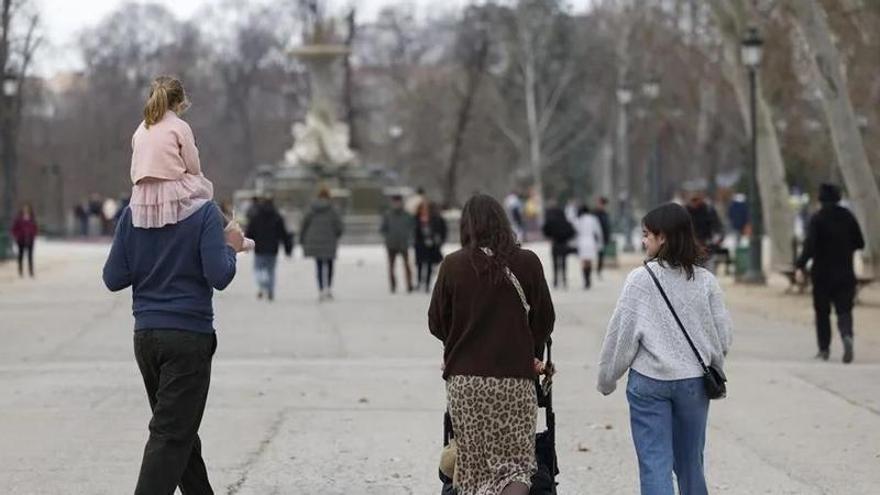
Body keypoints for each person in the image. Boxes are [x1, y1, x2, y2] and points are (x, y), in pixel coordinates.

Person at [103, 200, 244, 495]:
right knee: (171, 434)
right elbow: (219, 275)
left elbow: (113, 278)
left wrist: (148, 254)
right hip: (188, 336)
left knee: (179, 429)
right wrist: (231, 246)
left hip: (146, 337)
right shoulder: (203, 210)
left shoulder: (134, 212)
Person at [597, 203, 733, 495]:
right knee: (691, 464)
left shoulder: (640, 280)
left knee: (654, 464)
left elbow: (622, 335)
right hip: (693, 383)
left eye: (647, 234)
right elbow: (723, 336)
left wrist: (607, 378)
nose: (643, 240)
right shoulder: (706, 281)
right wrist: (712, 360)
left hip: (649, 382)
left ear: (664, 238)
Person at [429, 194, 555, 495]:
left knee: (472, 469)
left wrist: (459, 341)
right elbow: (545, 320)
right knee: (516, 467)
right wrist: (526, 348)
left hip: (466, 383)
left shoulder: (453, 265)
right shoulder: (528, 263)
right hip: (515, 381)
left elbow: (436, 322)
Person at [795, 184, 865, 363]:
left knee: (822, 312)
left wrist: (800, 265)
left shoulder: (817, 218)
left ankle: (824, 349)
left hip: (822, 273)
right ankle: (847, 335)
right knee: (844, 309)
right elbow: (860, 242)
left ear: (821, 199)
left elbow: (809, 246)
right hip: (845, 272)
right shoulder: (848, 217)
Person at [245, 197, 293, 301]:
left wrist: (246, 244)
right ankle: (270, 290)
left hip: (259, 248)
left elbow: (250, 232)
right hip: (273, 249)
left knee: (259, 269)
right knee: (271, 271)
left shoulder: (256, 217)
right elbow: (284, 234)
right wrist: (288, 249)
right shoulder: (277, 217)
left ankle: (262, 286)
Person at [301, 186, 343, 301]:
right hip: (329, 241)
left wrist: (303, 239)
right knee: (329, 265)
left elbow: (304, 224)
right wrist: (336, 235)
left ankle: (320, 289)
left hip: (315, 241)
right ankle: (328, 288)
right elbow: (338, 226)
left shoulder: (311, 209)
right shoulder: (333, 209)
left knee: (319, 265)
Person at [381, 195, 415, 293]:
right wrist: (388, 237)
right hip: (391, 244)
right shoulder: (388, 215)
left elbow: (412, 227)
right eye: (395, 202)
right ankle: (393, 285)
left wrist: (409, 237)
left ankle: (409, 284)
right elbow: (382, 229)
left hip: (403, 244)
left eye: (398, 202)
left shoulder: (407, 215)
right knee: (391, 266)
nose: (397, 204)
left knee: (407, 265)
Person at [413, 201, 447, 293]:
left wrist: (436, 241)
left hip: (430, 246)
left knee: (429, 265)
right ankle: (419, 282)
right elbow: (414, 232)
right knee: (420, 265)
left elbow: (440, 230)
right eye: (422, 209)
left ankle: (427, 284)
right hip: (420, 245)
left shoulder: (434, 219)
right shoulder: (416, 219)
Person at [686, 193, 724, 273]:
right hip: (691, 247)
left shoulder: (708, 210)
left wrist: (717, 239)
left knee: (709, 270)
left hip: (707, 246)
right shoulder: (685, 211)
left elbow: (717, 227)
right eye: (693, 200)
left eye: (696, 200)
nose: (694, 203)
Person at [541, 201, 576, 289]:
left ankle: (556, 280)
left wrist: (551, 236)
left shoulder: (552, 222)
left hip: (555, 243)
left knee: (555, 263)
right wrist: (566, 237)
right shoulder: (566, 223)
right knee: (564, 262)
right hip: (564, 244)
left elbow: (545, 230)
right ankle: (564, 279)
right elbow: (572, 232)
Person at [575, 206, 604, 289]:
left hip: (582, 241)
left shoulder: (579, 220)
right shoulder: (593, 219)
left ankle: (585, 280)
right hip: (591, 241)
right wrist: (600, 243)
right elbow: (598, 231)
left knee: (584, 262)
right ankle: (589, 278)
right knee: (589, 261)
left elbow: (576, 231)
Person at [11, 203, 38, 278]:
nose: (26, 210)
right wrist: (17, 235)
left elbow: (35, 227)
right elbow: (14, 229)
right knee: (21, 255)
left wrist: (33, 234)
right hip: (21, 239)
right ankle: (20, 271)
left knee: (30, 256)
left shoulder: (32, 218)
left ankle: (31, 271)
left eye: (27, 208)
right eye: (24, 208)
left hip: (30, 238)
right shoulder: (18, 218)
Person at [594, 197, 612, 279]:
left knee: (601, 255)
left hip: (602, 238)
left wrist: (607, 237)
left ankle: (599, 270)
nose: (601, 206)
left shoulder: (605, 214)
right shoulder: (594, 213)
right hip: (594, 238)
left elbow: (607, 227)